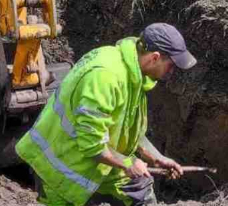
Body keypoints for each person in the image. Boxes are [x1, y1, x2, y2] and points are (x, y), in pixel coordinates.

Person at [16, 23, 197, 206]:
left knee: (140, 190)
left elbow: (127, 130)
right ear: (155, 58)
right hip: (61, 167)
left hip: (100, 159)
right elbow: (92, 145)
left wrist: (156, 157)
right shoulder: (105, 77)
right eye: (171, 66)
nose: (171, 72)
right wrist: (128, 164)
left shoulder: (135, 74)